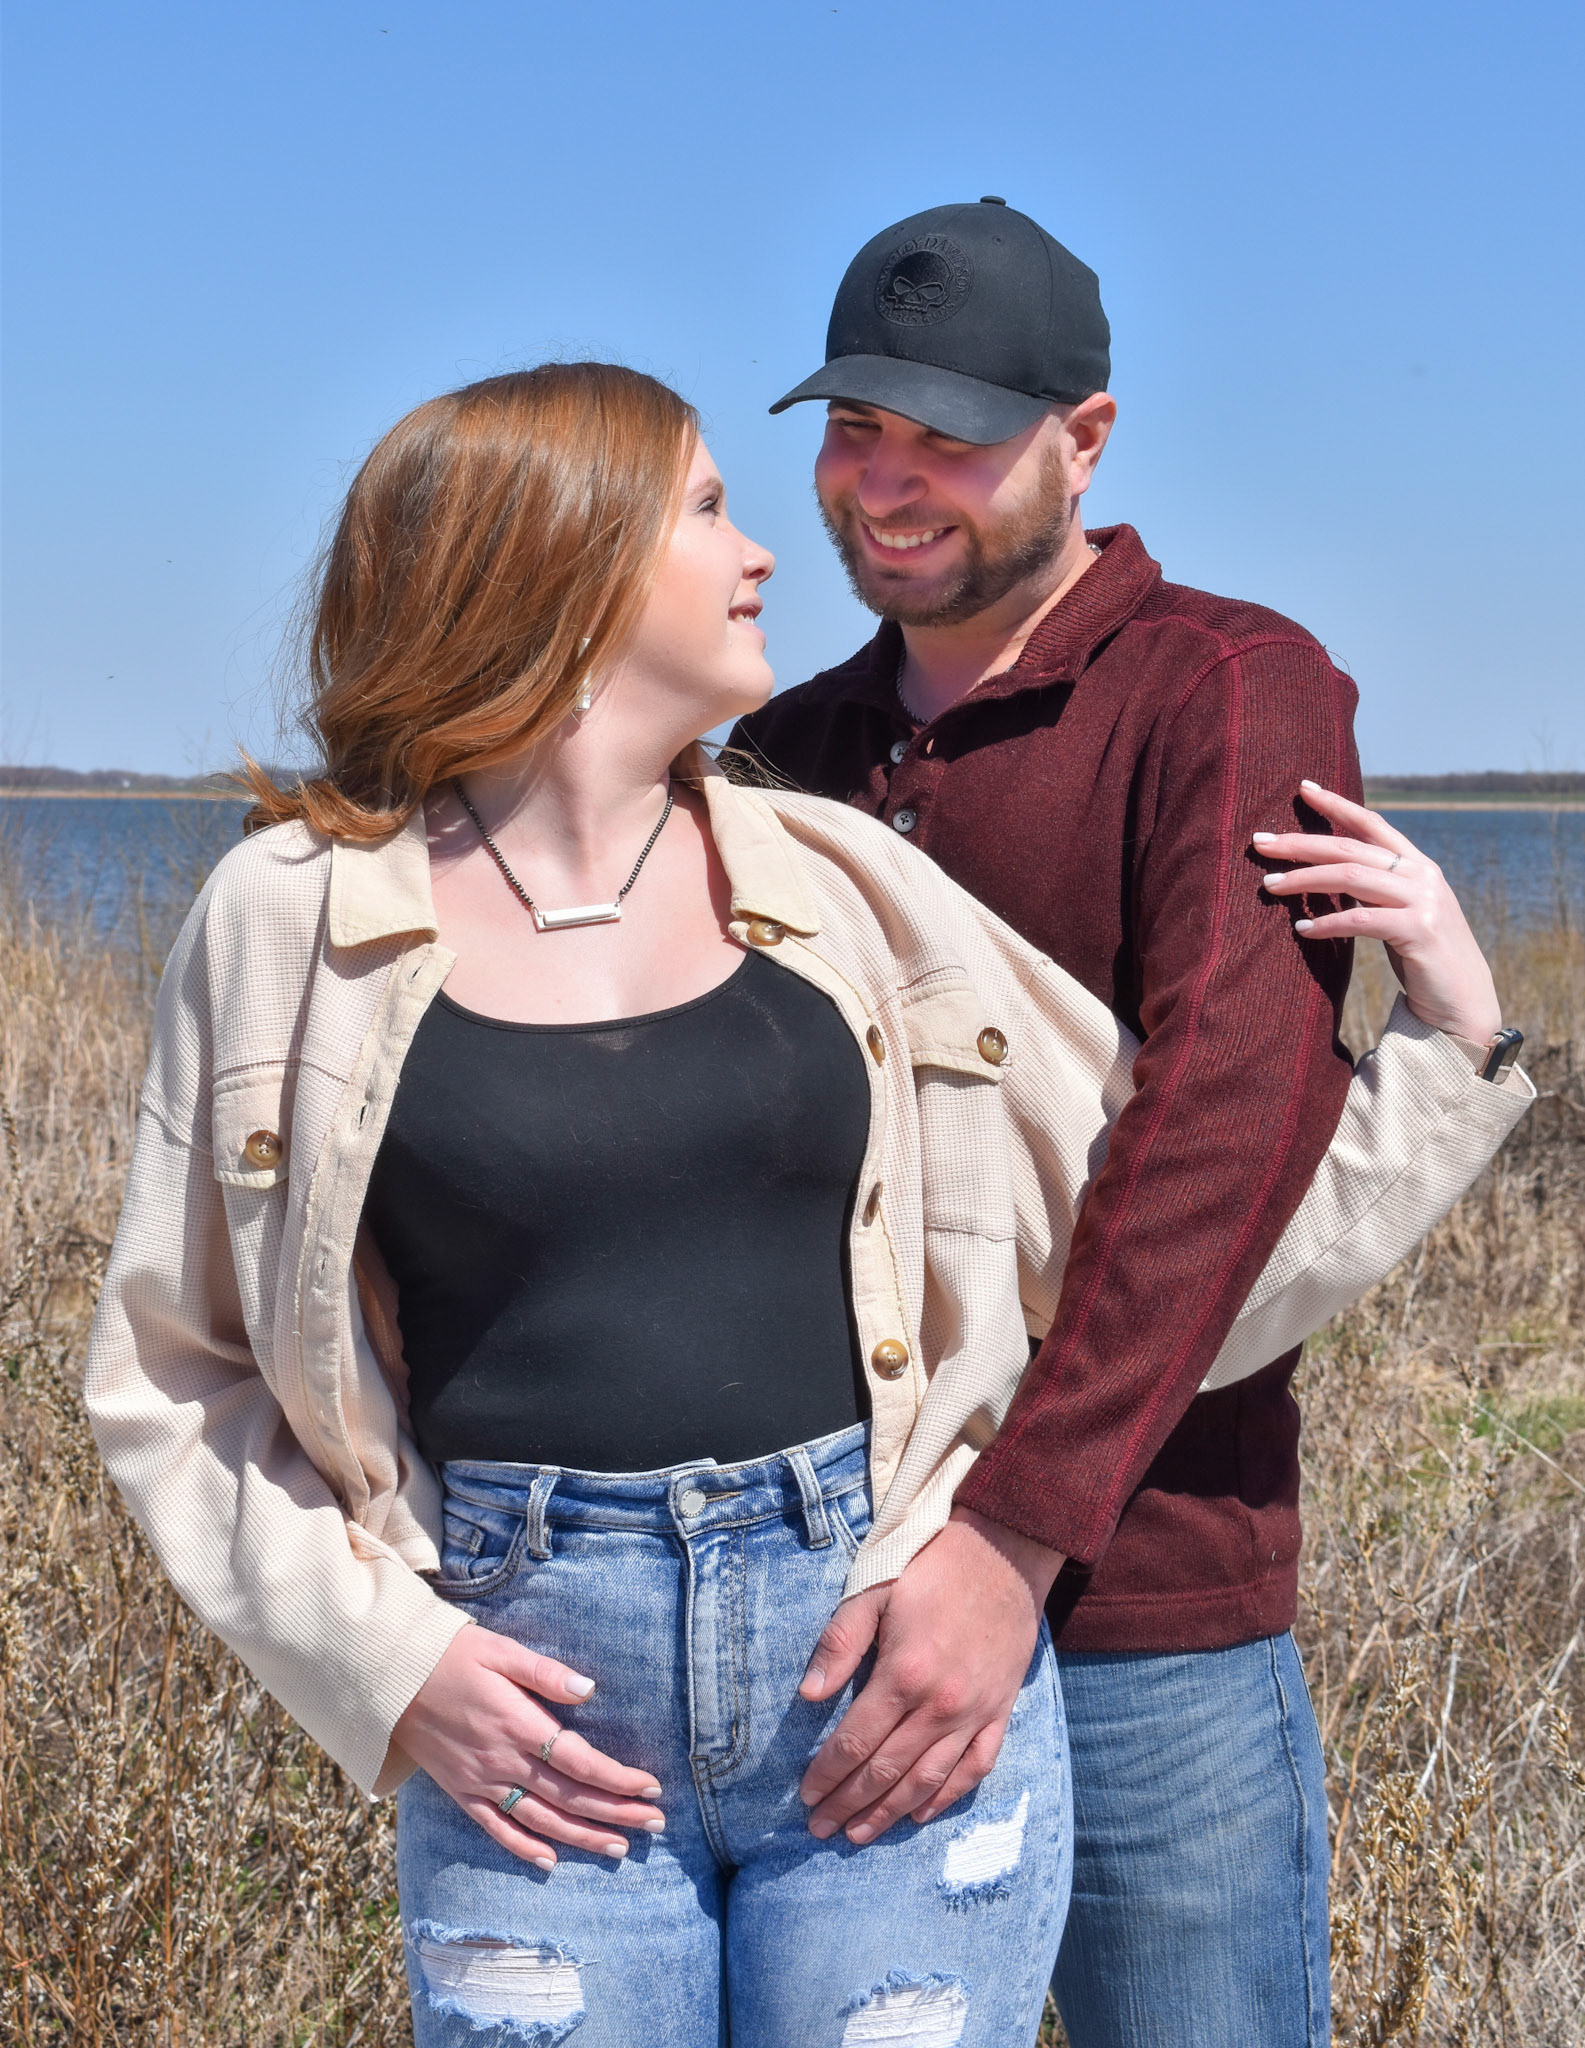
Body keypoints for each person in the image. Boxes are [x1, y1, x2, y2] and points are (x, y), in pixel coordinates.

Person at [84, 363, 1527, 2048]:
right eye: (706, 509)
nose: (764, 549)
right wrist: (386, 1667)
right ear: (558, 561)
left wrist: (1449, 1054)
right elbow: (175, 1374)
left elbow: (1160, 1259)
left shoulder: (848, 890)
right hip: (533, 1731)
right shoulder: (284, 921)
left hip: (878, 1675)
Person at [731, 199, 1531, 2047]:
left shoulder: (1225, 685)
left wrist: (1009, 1543)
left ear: (1082, 437)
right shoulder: (789, 752)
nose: (885, 482)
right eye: (855, 427)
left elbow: (1216, 1134)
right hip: (833, 1608)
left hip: (1143, 1610)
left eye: (948, 435)